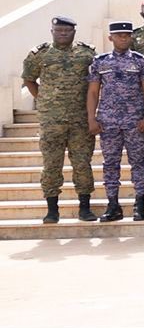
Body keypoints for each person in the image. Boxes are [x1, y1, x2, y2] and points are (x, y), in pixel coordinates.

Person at [22, 17, 98, 223]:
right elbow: (29, 79)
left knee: (82, 163)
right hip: (51, 120)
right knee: (51, 165)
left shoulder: (87, 53)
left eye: (67, 30)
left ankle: (85, 207)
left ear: (74, 31)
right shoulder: (40, 54)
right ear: (52, 31)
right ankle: (52, 210)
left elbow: (96, 82)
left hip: (80, 119)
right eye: (59, 30)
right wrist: (44, 100)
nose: (63, 33)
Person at [86, 22, 144, 221]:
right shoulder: (100, 62)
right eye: (119, 35)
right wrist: (92, 117)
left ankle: (139, 205)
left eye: (126, 35)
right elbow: (93, 92)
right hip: (108, 121)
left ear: (131, 37)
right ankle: (113, 206)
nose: (123, 39)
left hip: (135, 120)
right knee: (110, 164)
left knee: (139, 162)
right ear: (111, 38)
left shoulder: (141, 61)